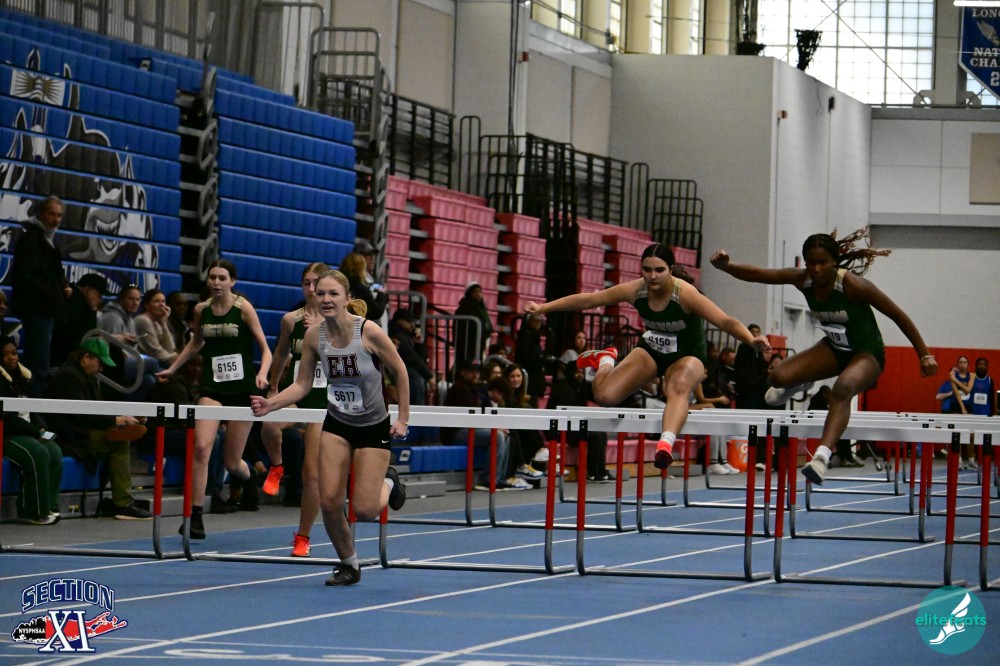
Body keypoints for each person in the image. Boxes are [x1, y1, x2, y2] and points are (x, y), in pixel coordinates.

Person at [710, 228, 938, 484]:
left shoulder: (852, 285)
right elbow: (759, 274)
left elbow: (897, 315)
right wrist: (727, 266)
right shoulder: (803, 279)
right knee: (777, 376)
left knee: (843, 388)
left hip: (867, 353)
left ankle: (821, 457)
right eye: (811, 262)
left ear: (834, 262)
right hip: (834, 349)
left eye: (822, 262)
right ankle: (802, 381)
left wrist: (924, 355)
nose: (816, 269)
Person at [526, 243, 770, 472]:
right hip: (652, 350)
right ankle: (606, 360)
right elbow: (589, 299)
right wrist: (543, 308)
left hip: (688, 355)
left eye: (659, 270)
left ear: (670, 269)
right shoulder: (636, 290)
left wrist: (751, 340)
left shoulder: (685, 294)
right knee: (604, 395)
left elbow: (725, 321)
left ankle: (665, 444)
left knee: (678, 386)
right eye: (647, 269)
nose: (652, 276)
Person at [250, 269, 409, 586]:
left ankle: (390, 480)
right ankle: (349, 564)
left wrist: (402, 418)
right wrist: (271, 404)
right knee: (330, 501)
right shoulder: (314, 337)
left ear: (347, 298)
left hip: (373, 425)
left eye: (333, 293)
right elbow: (303, 385)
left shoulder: (368, 331)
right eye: (320, 293)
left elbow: (400, 371)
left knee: (364, 510)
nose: (325, 299)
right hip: (337, 423)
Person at [156, 259, 272, 539]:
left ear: (233, 281)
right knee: (201, 449)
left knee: (233, 462)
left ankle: (251, 477)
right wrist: (173, 367)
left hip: (243, 391)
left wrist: (263, 374)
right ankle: (195, 517)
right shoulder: (201, 310)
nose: (217, 283)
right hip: (212, 388)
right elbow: (196, 342)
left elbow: (265, 349)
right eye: (212, 278)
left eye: (222, 278)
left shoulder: (244, 309)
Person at [42, 338, 152, 520]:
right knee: (118, 443)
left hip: (82, 430)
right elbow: (81, 415)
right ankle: (123, 503)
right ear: (86, 357)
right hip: (69, 435)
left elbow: (96, 410)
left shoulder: (85, 376)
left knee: (118, 437)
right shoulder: (68, 378)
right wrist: (116, 420)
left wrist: (125, 416)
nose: (102, 369)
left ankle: (121, 501)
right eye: (100, 363)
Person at [262, 262, 328, 557]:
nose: (311, 290)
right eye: (306, 283)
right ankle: (277, 466)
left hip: (325, 401)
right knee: (269, 424)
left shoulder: (340, 322)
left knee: (311, 473)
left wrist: (321, 332)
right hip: (298, 392)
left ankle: (303, 537)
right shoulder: (291, 320)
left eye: (317, 284)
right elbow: (281, 353)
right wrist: (273, 386)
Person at [11, 196, 71, 396]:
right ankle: (33, 406)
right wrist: (55, 291)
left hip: (44, 309)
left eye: (59, 215)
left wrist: (62, 288)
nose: (56, 220)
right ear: (41, 214)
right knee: (38, 365)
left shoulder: (45, 241)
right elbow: (27, 278)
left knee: (39, 363)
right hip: (38, 309)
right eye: (52, 214)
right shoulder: (32, 241)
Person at [0, 337, 62, 524]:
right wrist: (36, 432)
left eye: (14, 353)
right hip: (7, 434)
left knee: (54, 451)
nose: (12, 357)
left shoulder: (24, 378)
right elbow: (8, 420)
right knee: (38, 452)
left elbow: (32, 409)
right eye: (5, 354)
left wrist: (41, 427)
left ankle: (50, 505)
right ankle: (33, 511)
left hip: (27, 430)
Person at [441, 357, 511, 489]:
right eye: (471, 372)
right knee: (497, 436)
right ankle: (487, 479)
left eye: (477, 372)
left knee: (504, 435)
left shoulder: (475, 389)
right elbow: (470, 417)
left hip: (469, 428)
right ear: (463, 372)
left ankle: (499, 477)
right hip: (456, 431)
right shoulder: (460, 388)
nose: (475, 375)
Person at [547, 361, 611, 482]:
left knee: (602, 433)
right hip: (560, 430)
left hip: (574, 426)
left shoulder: (580, 388)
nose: (580, 375)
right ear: (570, 373)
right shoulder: (564, 389)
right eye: (577, 372)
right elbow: (570, 416)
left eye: (582, 372)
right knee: (595, 435)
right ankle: (591, 473)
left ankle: (601, 471)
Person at [51, 273, 109, 368]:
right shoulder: (69, 303)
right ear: (87, 291)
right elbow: (76, 338)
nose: (100, 301)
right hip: (60, 362)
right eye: (99, 296)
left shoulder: (86, 306)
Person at [388, 308, 435, 407]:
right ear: (400, 321)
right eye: (409, 322)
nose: (412, 325)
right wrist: (429, 376)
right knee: (416, 377)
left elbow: (419, 357)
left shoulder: (406, 334)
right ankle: (416, 407)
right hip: (396, 368)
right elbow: (411, 357)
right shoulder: (397, 334)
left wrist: (419, 342)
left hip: (402, 367)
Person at [135, 289, 178, 368]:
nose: (161, 305)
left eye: (163, 301)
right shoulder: (142, 320)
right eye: (157, 301)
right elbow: (155, 351)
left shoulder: (158, 322)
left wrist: (163, 324)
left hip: (159, 360)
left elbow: (170, 348)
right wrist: (175, 358)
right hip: (147, 362)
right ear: (147, 306)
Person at [339, 252, 387, 324]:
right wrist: (381, 294)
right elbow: (376, 312)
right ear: (361, 269)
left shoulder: (338, 284)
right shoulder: (360, 289)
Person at [454, 281, 495, 365]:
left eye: (480, 291)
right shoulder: (464, 308)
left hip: (480, 344)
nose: (478, 294)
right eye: (474, 292)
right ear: (469, 294)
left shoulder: (481, 308)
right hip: (468, 346)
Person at [733, 324, 769, 409]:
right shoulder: (743, 347)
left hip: (757, 386)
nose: (755, 334)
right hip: (746, 386)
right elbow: (739, 366)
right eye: (753, 332)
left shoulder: (759, 348)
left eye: (757, 332)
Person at [515, 313, 548, 405]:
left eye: (539, 321)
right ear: (528, 322)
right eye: (534, 320)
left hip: (534, 385)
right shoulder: (524, 339)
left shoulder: (535, 339)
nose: (537, 324)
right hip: (528, 385)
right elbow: (526, 361)